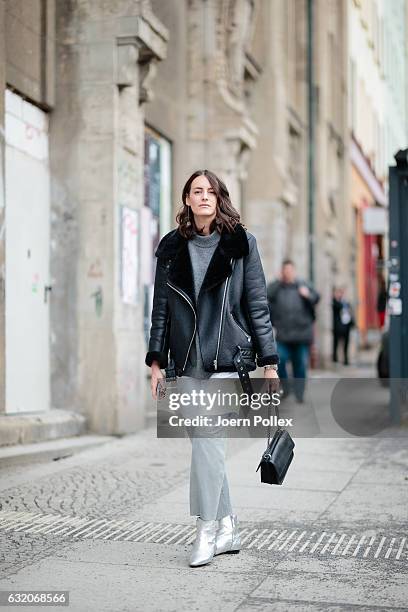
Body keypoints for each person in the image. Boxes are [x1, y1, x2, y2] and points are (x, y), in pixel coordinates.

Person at [145, 169, 279, 568]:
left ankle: (205, 531)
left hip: (226, 360)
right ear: (187, 199)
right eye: (196, 191)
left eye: (211, 191)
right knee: (207, 448)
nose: (204, 196)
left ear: (220, 198)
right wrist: (156, 361)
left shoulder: (241, 244)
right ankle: (230, 527)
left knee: (208, 439)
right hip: (185, 362)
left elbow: (257, 304)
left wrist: (269, 362)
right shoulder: (170, 247)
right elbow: (161, 309)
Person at [267, 260, 319, 403]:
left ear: (294, 271)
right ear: (282, 272)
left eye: (290, 270)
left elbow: (316, 298)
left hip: (302, 336)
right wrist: (278, 281)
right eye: (285, 271)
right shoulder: (277, 287)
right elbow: (265, 295)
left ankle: (299, 393)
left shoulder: (303, 285)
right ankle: (286, 387)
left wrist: (307, 295)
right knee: (280, 361)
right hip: (283, 335)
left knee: (300, 366)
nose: (288, 273)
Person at [332, 285, 354, 365]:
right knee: (336, 343)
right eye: (338, 292)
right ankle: (335, 358)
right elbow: (337, 307)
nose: (340, 294)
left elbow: (350, 312)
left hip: (346, 326)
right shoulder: (334, 302)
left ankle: (345, 359)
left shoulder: (346, 302)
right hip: (337, 326)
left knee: (346, 343)